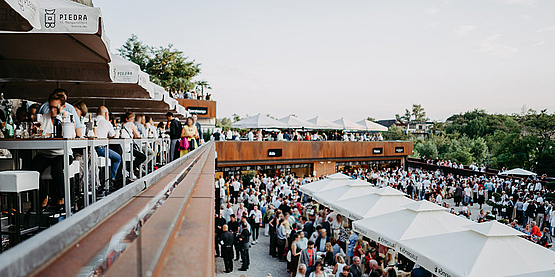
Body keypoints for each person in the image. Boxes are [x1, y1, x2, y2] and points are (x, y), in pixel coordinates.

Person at [32, 91, 75, 210]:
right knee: (32, 169)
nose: (52, 110)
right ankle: (44, 197)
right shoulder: (43, 117)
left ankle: (61, 199)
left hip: (63, 153)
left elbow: (70, 136)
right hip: (45, 153)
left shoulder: (67, 117)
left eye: (55, 108)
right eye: (50, 107)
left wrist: (60, 118)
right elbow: (38, 134)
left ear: (62, 107)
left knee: (57, 170)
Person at [95, 106, 121, 184]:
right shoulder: (106, 122)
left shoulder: (92, 120)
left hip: (91, 149)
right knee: (118, 158)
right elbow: (113, 135)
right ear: (106, 114)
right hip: (101, 149)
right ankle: (112, 179)